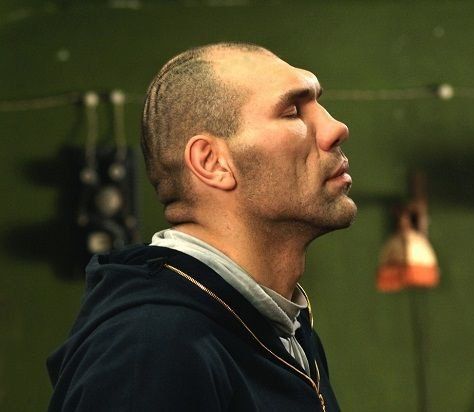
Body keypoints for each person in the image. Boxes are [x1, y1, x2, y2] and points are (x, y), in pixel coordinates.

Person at [47, 42, 356, 412]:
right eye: (292, 112)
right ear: (212, 163)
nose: (336, 128)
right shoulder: (152, 349)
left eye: (319, 104)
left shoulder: (283, 330)